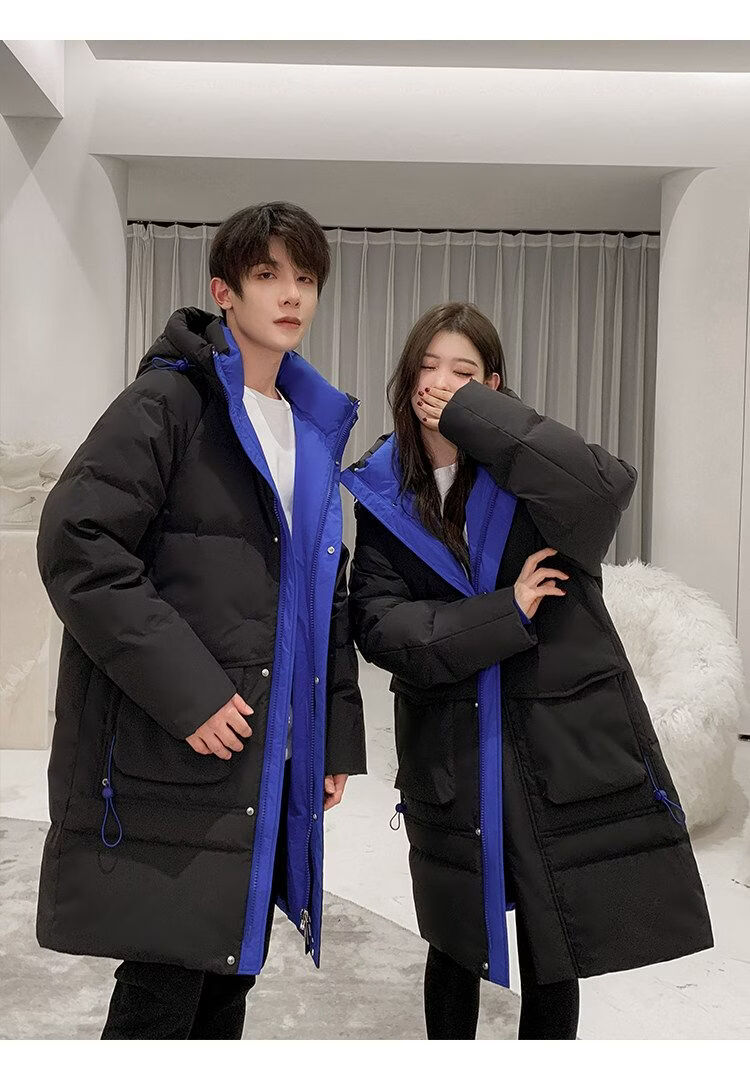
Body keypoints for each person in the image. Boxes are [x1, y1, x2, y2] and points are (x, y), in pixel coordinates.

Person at [35, 201, 366, 1039]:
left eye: (305, 278)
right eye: (267, 275)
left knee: (229, 977)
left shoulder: (311, 429)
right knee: (166, 982)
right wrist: (191, 693)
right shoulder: (169, 404)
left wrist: (329, 735)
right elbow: (78, 543)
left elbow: (322, 593)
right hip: (183, 740)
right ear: (224, 291)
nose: (291, 295)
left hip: (269, 744)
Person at [342, 300, 713, 1040]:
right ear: (405, 381)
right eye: (427, 368)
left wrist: (483, 422)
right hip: (451, 749)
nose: (440, 384)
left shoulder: (533, 480)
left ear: (492, 390)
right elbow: (383, 629)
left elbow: (606, 490)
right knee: (454, 940)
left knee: (555, 939)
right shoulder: (382, 492)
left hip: (554, 740)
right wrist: (503, 613)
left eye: (464, 374)